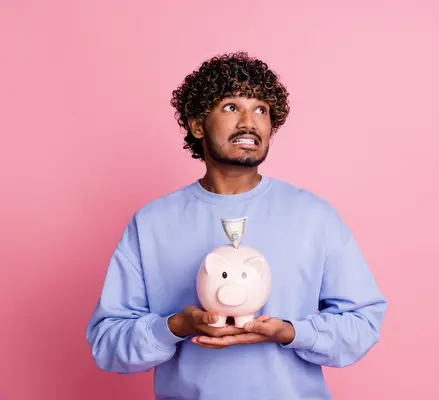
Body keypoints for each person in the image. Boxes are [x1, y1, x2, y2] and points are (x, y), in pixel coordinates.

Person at [86, 51, 387, 400]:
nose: (249, 122)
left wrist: (290, 332)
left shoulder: (314, 216)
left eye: (261, 109)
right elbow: (107, 343)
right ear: (197, 124)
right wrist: (176, 326)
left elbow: (363, 322)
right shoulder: (151, 223)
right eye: (231, 107)